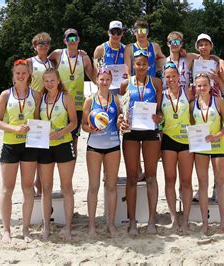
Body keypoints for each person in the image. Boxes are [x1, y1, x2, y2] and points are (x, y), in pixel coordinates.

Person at [0, 59, 41, 244]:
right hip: (10, 145)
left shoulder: (36, 95)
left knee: (28, 188)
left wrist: (35, 130)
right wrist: (14, 129)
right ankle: (6, 230)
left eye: (24, 72)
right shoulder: (6, 95)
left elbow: (38, 120)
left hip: (29, 146)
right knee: (7, 188)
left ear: (29, 74)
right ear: (13, 75)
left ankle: (26, 229)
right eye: (17, 73)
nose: (21, 76)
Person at [118, 49, 163, 236]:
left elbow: (160, 111)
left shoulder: (157, 83)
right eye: (138, 64)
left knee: (151, 177)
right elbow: (122, 109)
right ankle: (133, 222)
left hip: (150, 132)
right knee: (132, 178)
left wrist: (159, 117)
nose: (141, 67)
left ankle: (152, 220)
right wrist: (121, 118)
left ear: (149, 65)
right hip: (131, 133)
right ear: (133, 66)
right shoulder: (125, 84)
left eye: (144, 64)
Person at [37, 68, 77, 241]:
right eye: (46, 81)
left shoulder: (66, 97)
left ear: (58, 81)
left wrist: (61, 133)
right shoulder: (41, 99)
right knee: (46, 188)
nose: (49, 84)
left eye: (52, 80)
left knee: (66, 187)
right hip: (45, 146)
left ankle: (68, 228)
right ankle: (46, 227)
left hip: (63, 144)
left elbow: (74, 123)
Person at [82, 68, 121, 237]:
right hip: (94, 147)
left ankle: (110, 224)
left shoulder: (117, 100)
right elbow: (83, 125)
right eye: (101, 79)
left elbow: (120, 123)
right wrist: (90, 129)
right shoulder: (90, 101)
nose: (104, 82)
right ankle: (92, 225)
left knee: (111, 186)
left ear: (111, 81)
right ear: (96, 81)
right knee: (94, 186)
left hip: (113, 145)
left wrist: (121, 123)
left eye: (107, 79)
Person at [190, 73, 224, 234]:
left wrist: (217, 136)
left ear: (210, 85)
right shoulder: (193, 104)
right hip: (200, 148)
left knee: (220, 184)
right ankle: (205, 223)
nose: (202, 88)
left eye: (204, 85)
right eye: (199, 85)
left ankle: (223, 222)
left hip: (218, 147)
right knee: (203, 185)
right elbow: (191, 125)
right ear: (195, 87)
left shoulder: (218, 101)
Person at [48, 28, 95, 154]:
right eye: (69, 38)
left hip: (77, 103)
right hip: (60, 101)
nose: (72, 41)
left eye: (74, 38)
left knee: (74, 138)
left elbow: (93, 77)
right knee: (55, 134)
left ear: (79, 39)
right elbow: (44, 65)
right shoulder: (57, 54)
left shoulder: (84, 57)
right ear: (64, 40)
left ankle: (71, 168)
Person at [160, 62, 194, 233]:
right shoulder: (162, 95)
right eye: (168, 76)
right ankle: (174, 217)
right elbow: (158, 116)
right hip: (168, 141)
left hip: (186, 141)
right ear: (164, 78)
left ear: (179, 77)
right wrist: (156, 118)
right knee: (170, 180)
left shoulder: (188, 92)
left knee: (186, 181)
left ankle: (186, 219)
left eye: (174, 76)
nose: (171, 79)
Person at [26, 32, 54, 197]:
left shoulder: (52, 62)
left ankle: (41, 180)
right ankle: (35, 182)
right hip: (32, 105)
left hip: (47, 104)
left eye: (46, 43)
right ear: (35, 45)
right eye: (40, 43)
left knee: (45, 143)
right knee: (34, 142)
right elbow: (22, 81)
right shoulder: (30, 62)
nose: (43, 45)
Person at [93, 20, 127, 96]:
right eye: (113, 32)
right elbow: (97, 71)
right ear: (108, 33)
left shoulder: (126, 49)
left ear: (122, 34)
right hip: (106, 87)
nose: (116, 35)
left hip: (122, 87)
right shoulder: (101, 49)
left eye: (118, 32)